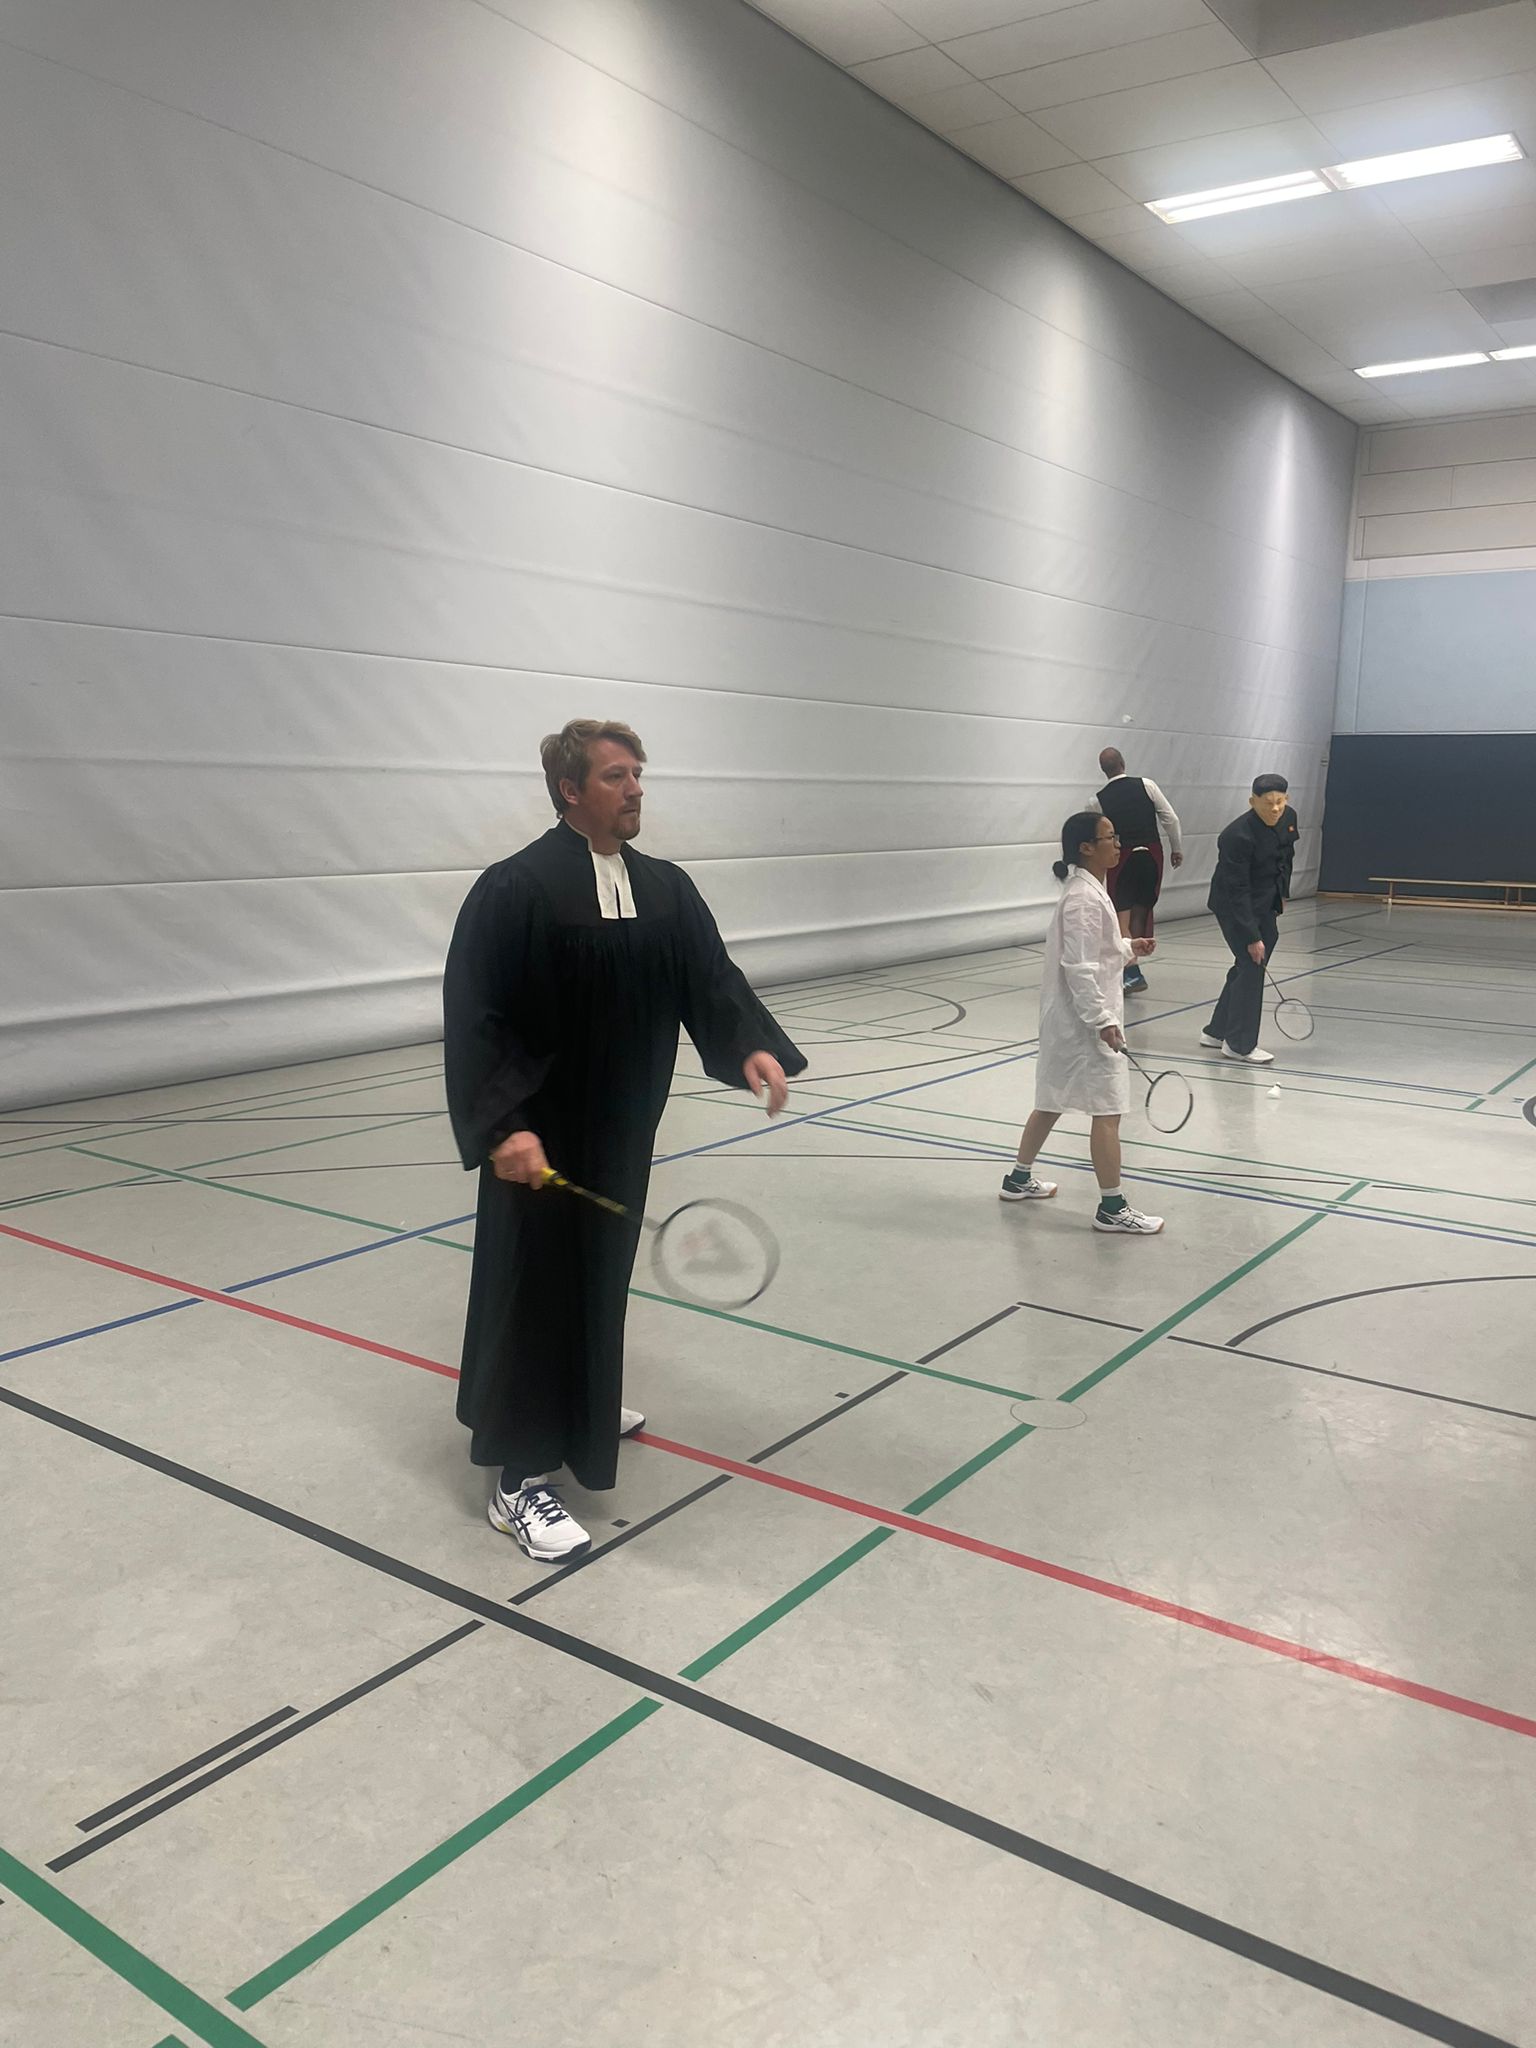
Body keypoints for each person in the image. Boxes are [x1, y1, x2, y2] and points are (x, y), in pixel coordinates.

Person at [443, 719, 806, 1563]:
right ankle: (518, 1479)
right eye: (616, 776)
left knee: (599, 1276)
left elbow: (709, 980)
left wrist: (748, 1046)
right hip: (537, 1142)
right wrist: (504, 1126)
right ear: (570, 790)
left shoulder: (665, 887)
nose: (636, 788)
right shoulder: (515, 888)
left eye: (638, 773)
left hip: (622, 1131)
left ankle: (581, 1406)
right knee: (534, 1292)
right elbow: (477, 1016)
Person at [1001, 811, 1163, 1235]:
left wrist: (1129, 946)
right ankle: (1112, 1208)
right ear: (1086, 848)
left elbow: (1097, 951)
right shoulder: (1083, 900)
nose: (1118, 843)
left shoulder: (1089, 891)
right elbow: (1079, 968)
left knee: (1050, 1099)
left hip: (1071, 1023)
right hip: (1085, 1026)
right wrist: (1103, 1020)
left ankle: (1017, 1179)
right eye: (1109, 837)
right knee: (1108, 1111)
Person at [1200, 774, 1291, 1067]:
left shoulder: (1288, 818)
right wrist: (1251, 936)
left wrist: (1282, 894)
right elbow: (1236, 889)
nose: (1275, 809)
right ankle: (1238, 1045)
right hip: (1233, 905)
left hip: (1265, 902)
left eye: (1280, 802)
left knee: (1247, 966)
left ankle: (1217, 1031)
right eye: (1267, 803)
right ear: (1252, 802)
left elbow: (1286, 855)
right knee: (1252, 966)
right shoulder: (1236, 836)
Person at [1086, 748, 1182, 996]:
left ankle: (1131, 971)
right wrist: (1176, 849)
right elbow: (1170, 818)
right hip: (1151, 856)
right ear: (1123, 763)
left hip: (1123, 859)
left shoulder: (1097, 800)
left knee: (1122, 917)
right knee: (1141, 911)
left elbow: (1095, 837)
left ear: (1103, 770)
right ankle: (1131, 964)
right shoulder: (1147, 785)